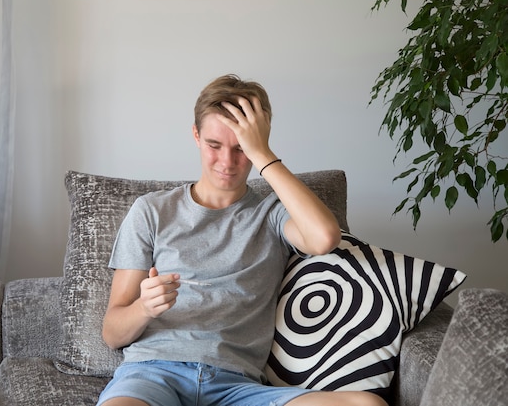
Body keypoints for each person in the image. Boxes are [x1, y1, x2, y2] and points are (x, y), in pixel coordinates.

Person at [98, 74, 387, 406]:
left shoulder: (273, 214)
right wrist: (144, 308)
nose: (227, 162)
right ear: (195, 135)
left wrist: (262, 153)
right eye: (214, 145)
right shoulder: (152, 211)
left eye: (240, 148)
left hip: (237, 386)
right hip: (153, 375)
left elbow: (323, 238)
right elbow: (112, 332)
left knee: (367, 404)